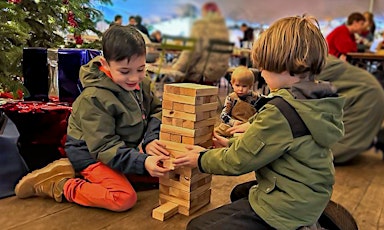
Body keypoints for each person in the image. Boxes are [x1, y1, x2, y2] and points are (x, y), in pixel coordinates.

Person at [172, 15, 345, 229]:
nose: (261, 73)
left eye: (264, 67)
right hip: (310, 193)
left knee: (197, 227)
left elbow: (238, 161)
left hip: (288, 207)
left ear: (284, 66)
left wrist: (200, 159)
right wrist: (232, 143)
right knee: (240, 193)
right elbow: (276, 144)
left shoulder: (280, 112)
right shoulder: (316, 98)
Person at [14, 25, 171, 211]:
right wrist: (142, 161)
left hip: (121, 147)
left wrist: (150, 139)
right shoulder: (94, 98)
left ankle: (81, 173)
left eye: (141, 69)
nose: (134, 78)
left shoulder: (141, 84)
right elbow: (104, 147)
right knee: (123, 198)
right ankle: (61, 185)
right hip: (90, 153)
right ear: (105, 64)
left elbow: (157, 109)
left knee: (166, 171)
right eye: (125, 71)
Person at [317, 55, 384, 163]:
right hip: (351, 99)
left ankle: (376, 138)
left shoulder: (308, 63)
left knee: (319, 157)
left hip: (365, 99)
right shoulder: (306, 58)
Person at [171, 2, 230, 84]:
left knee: (176, 70)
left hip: (199, 76)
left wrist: (176, 68)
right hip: (215, 75)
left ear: (205, 12)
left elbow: (192, 53)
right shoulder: (224, 30)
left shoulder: (201, 26)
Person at [214, 66, 260, 137]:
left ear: (250, 86)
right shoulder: (231, 98)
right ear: (232, 84)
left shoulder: (256, 98)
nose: (240, 89)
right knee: (218, 131)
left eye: (244, 86)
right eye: (237, 85)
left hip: (247, 126)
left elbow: (260, 114)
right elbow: (223, 115)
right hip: (233, 125)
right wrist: (233, 122)